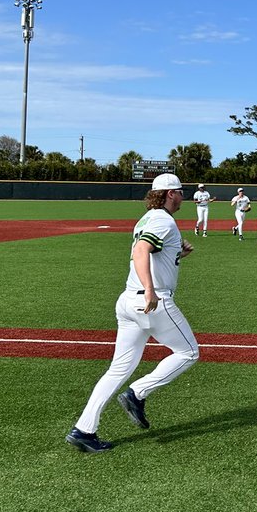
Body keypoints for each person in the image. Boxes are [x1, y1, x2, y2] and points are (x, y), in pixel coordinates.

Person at [66, 173, 199, 453]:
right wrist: (150, 290)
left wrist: (178, 254)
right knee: (189, 353)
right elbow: (141, 252)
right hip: (152, 302)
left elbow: (151, 255)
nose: (183, 197)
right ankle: (137, 393)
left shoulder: (147, 218)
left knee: (117, 369)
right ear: (170, 193)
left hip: (127, 300)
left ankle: (84, 430)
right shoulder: (163, 220)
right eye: (181, 192)